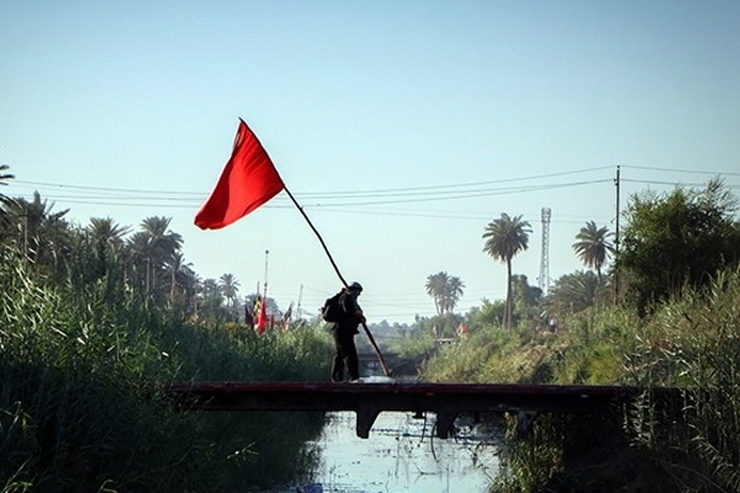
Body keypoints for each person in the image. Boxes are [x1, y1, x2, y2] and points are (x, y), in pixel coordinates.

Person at [330, 281, 365, 383]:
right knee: (350, 354)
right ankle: (354, 377)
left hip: (344, 331)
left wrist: (360, 317)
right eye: (358, 292)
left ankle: (336, 378)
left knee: (340, 355)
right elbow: (348, 312)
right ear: (354, 290)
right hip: (342, 331)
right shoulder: (346, 298)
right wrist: (357, 314)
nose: (359, 294)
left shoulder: (351, 300)